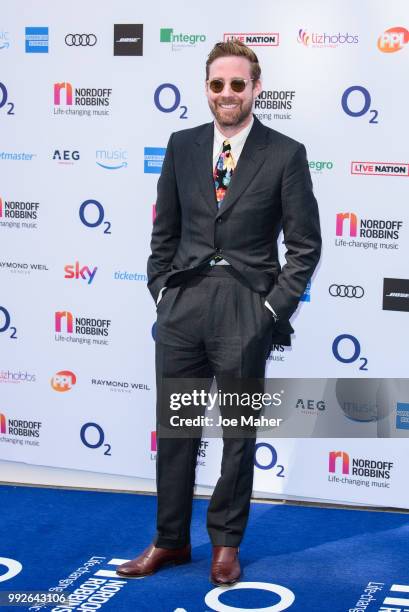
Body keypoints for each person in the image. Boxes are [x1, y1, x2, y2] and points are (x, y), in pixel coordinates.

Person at [117, 40, 321, 585]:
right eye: (216, 84)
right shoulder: (181, 145)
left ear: (256, 88)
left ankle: (226, 545)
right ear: (206, 89)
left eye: (237, 84)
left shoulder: (285, 152)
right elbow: (164, 232)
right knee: (177, 431)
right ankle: (171, 540)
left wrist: (270, 310)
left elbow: (305, 245)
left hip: (244, 309)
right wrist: (162, 290)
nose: (226, 94)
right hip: (183, 307)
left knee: (237, 434)